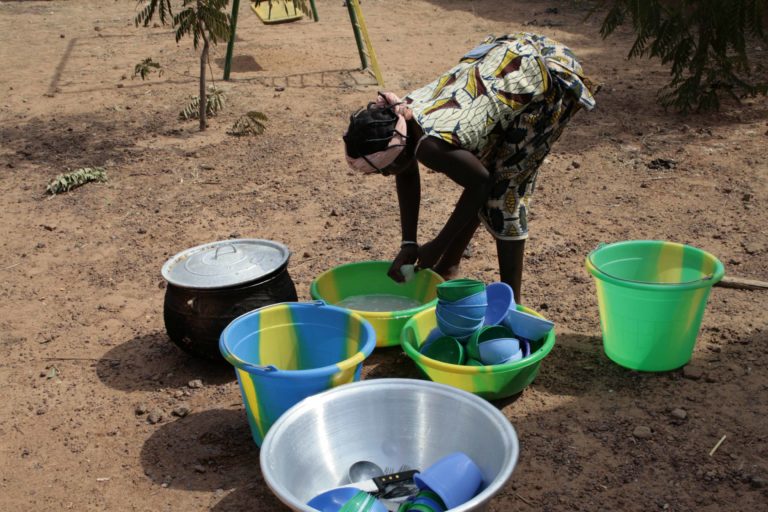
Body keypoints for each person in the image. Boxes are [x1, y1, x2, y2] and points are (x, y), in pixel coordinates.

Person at [343, 32, 596, 302]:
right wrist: (409, 243)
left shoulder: (430, 146)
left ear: (399, 152)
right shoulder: (400, 118)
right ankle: (449, 266)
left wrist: (438, 245)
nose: (384, 175)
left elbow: (481, 184)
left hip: (546, 76)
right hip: (510, 57)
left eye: (383, 169)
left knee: (503, 193)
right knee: (480, 169)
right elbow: (407, 173)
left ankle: (512, 305)